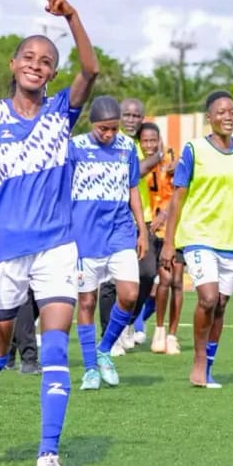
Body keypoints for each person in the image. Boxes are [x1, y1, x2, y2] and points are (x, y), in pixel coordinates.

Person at [0, 0, 98, 466]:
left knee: (57, 342)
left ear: (51, 73)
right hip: (3, 247)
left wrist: (72, 16)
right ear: (15, 66)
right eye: (29, 57)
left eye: (45, 60)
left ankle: (49, 451)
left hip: (57, 246)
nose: (37, 64)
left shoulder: (62, 112)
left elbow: (92, 69)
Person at [159, 90, 233, 388]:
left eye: (232, 112)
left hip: (232, 239)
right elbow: (178, 198)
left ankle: (209, 366)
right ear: (209, 119)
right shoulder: (194, 150)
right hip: (198, 236)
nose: (228, 117)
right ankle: (198, 362)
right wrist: (170, 242)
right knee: (208, 298)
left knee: (221, 305)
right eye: (221, 112)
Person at [70, 96, 146, 390]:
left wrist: (141, 229)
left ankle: (105, 350)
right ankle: (90, 367)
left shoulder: (127, 147)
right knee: (86, 301)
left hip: (120, 230)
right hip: (84, 234)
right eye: (104, 129)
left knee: (129, 295)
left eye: (114, 129)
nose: (110, 135)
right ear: (92, 125)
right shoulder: (75, 148)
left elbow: (133, 190)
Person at [140, 122, 184, 355]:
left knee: (175, 280)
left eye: (152, 140)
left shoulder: (170, 159)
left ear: (159, 140)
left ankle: (172, 335)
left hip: (173, 229)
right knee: (159, 281)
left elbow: (180, 190)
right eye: (144, 141)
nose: (148, 145)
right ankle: (158, 329)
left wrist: (166, 213)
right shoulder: (137, 161)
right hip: (149, 229)